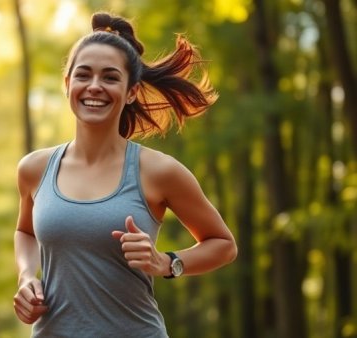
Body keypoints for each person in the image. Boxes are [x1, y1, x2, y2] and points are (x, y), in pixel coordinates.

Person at [13, 12, 237, 337]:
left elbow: (223, 245)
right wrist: (25, 277)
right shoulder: (35, 169)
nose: (94, 86)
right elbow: (26, 232)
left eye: (110, 77)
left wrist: (166, 262)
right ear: (67, 84)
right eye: (83, 75)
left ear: (131, 92)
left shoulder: (158, 171)